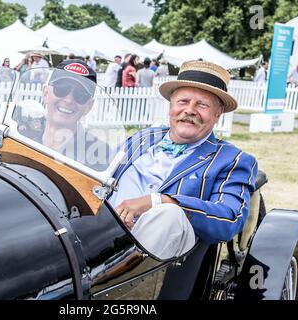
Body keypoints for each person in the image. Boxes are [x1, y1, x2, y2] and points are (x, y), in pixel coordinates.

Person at [109, 60, 258, 260]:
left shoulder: (232, 159)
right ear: (171, 105)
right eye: (183, 102)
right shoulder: (143, 137)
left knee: (169, 215)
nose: (190, 110)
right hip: (101, 236)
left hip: (156, 260)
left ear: (217, 114)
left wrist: (159, 201)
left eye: (202, 105)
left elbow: (229, 217)